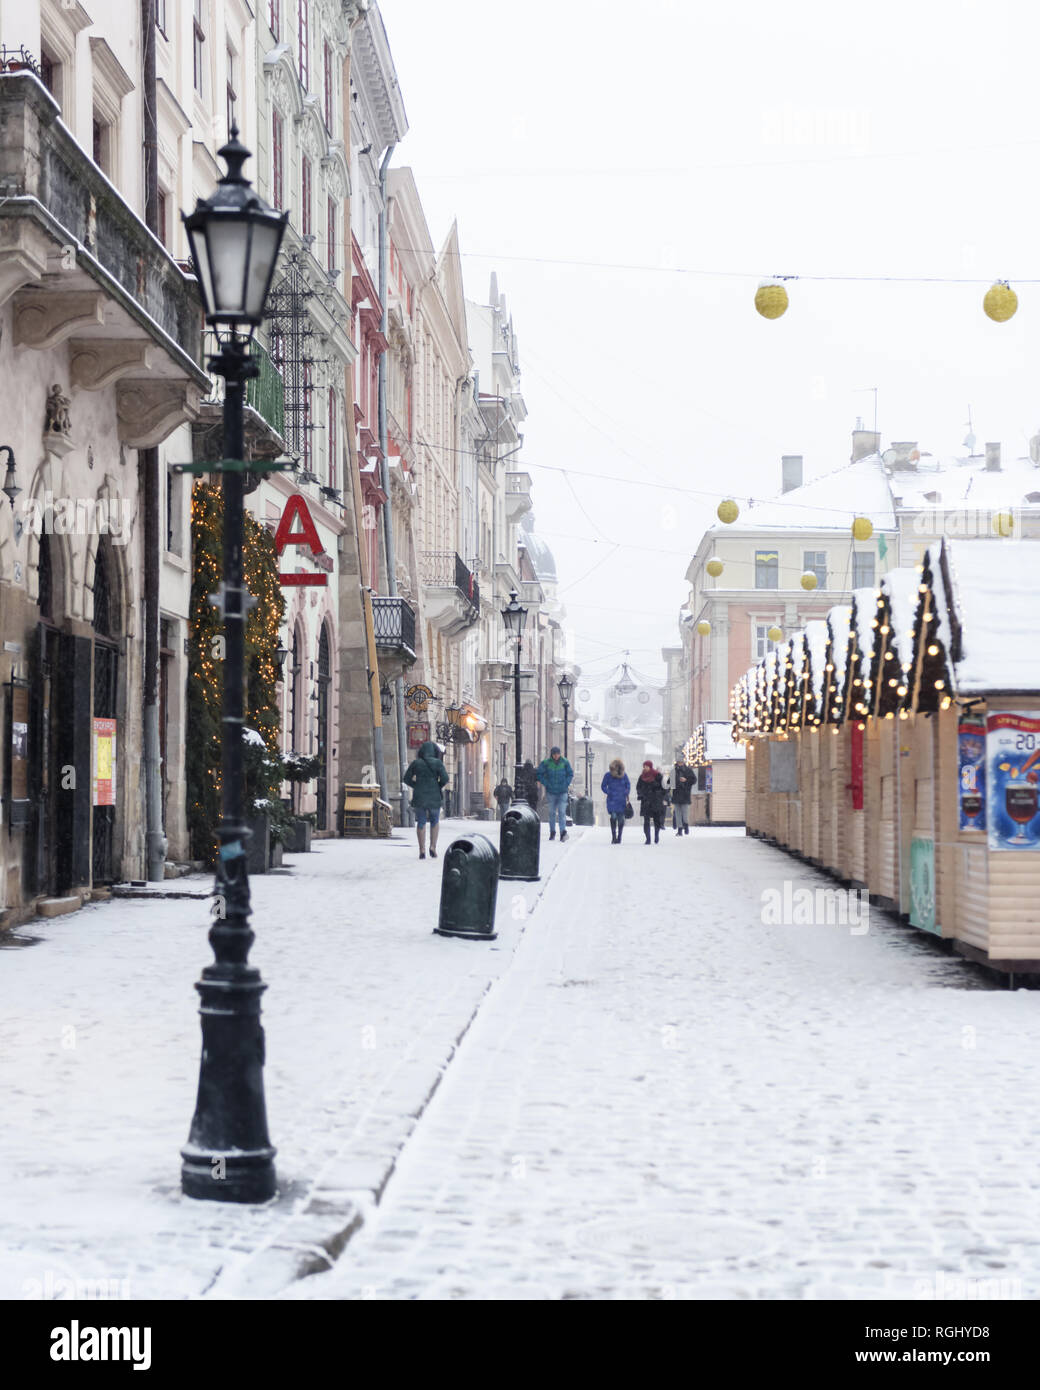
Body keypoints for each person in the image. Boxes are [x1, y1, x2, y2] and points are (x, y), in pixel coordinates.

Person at [402, 740, 449, 860]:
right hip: (434, 797)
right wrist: (437, 785)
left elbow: (406, 778)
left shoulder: (416, 763)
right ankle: (433, 847)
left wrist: (416, 785)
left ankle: (422, 849)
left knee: (421, 822)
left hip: (420, 797)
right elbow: (445, 778)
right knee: (434, 821)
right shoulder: (438, 763)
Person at [536, 745, 574, 841]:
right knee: (552, 813)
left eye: (557, 754)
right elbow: (539, 773)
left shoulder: (565, 762)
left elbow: (570, 773)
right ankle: (552, 832)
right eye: (554, 754)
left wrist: (566, 783)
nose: (556, 756)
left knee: (561, 812)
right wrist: (546, 783)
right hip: (551, 792)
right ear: (552, 755)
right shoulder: (546, 763)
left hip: (562, 792)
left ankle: (562, 832)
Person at [635, 760, 667, 844]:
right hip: (646, 801)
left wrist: (659, 795)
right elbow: (638, 787)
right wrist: (641, 794)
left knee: (657, 820)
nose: (645, 768)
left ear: (650, 766)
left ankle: (656, 835)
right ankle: (648, 838)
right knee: (646, 820)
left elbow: (664, 788)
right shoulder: (641, 777)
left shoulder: (657, 775)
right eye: (644, 766)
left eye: (646, 766)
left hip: (656, 801)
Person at [600, 758, 630, 844]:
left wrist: (626, 792)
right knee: (613, 817)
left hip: (621, 800)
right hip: (612, 800)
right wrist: (609, 792)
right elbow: (603, 786)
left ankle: (619, 836)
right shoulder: (608, 775)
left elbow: (628, 785)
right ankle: (613, 836)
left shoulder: (624, 775)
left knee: (621, 819)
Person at [672, 761, 696, 835]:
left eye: (681, 762)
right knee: (678, 814)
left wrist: (686, 780)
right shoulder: (673, 771)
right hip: (676, 794)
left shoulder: (688, 770)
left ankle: (686, 825)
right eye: (679, 762)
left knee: (685, 813)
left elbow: (694, 780)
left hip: (685, 794)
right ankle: (679, 829)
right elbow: (670, 783)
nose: (680, 763)